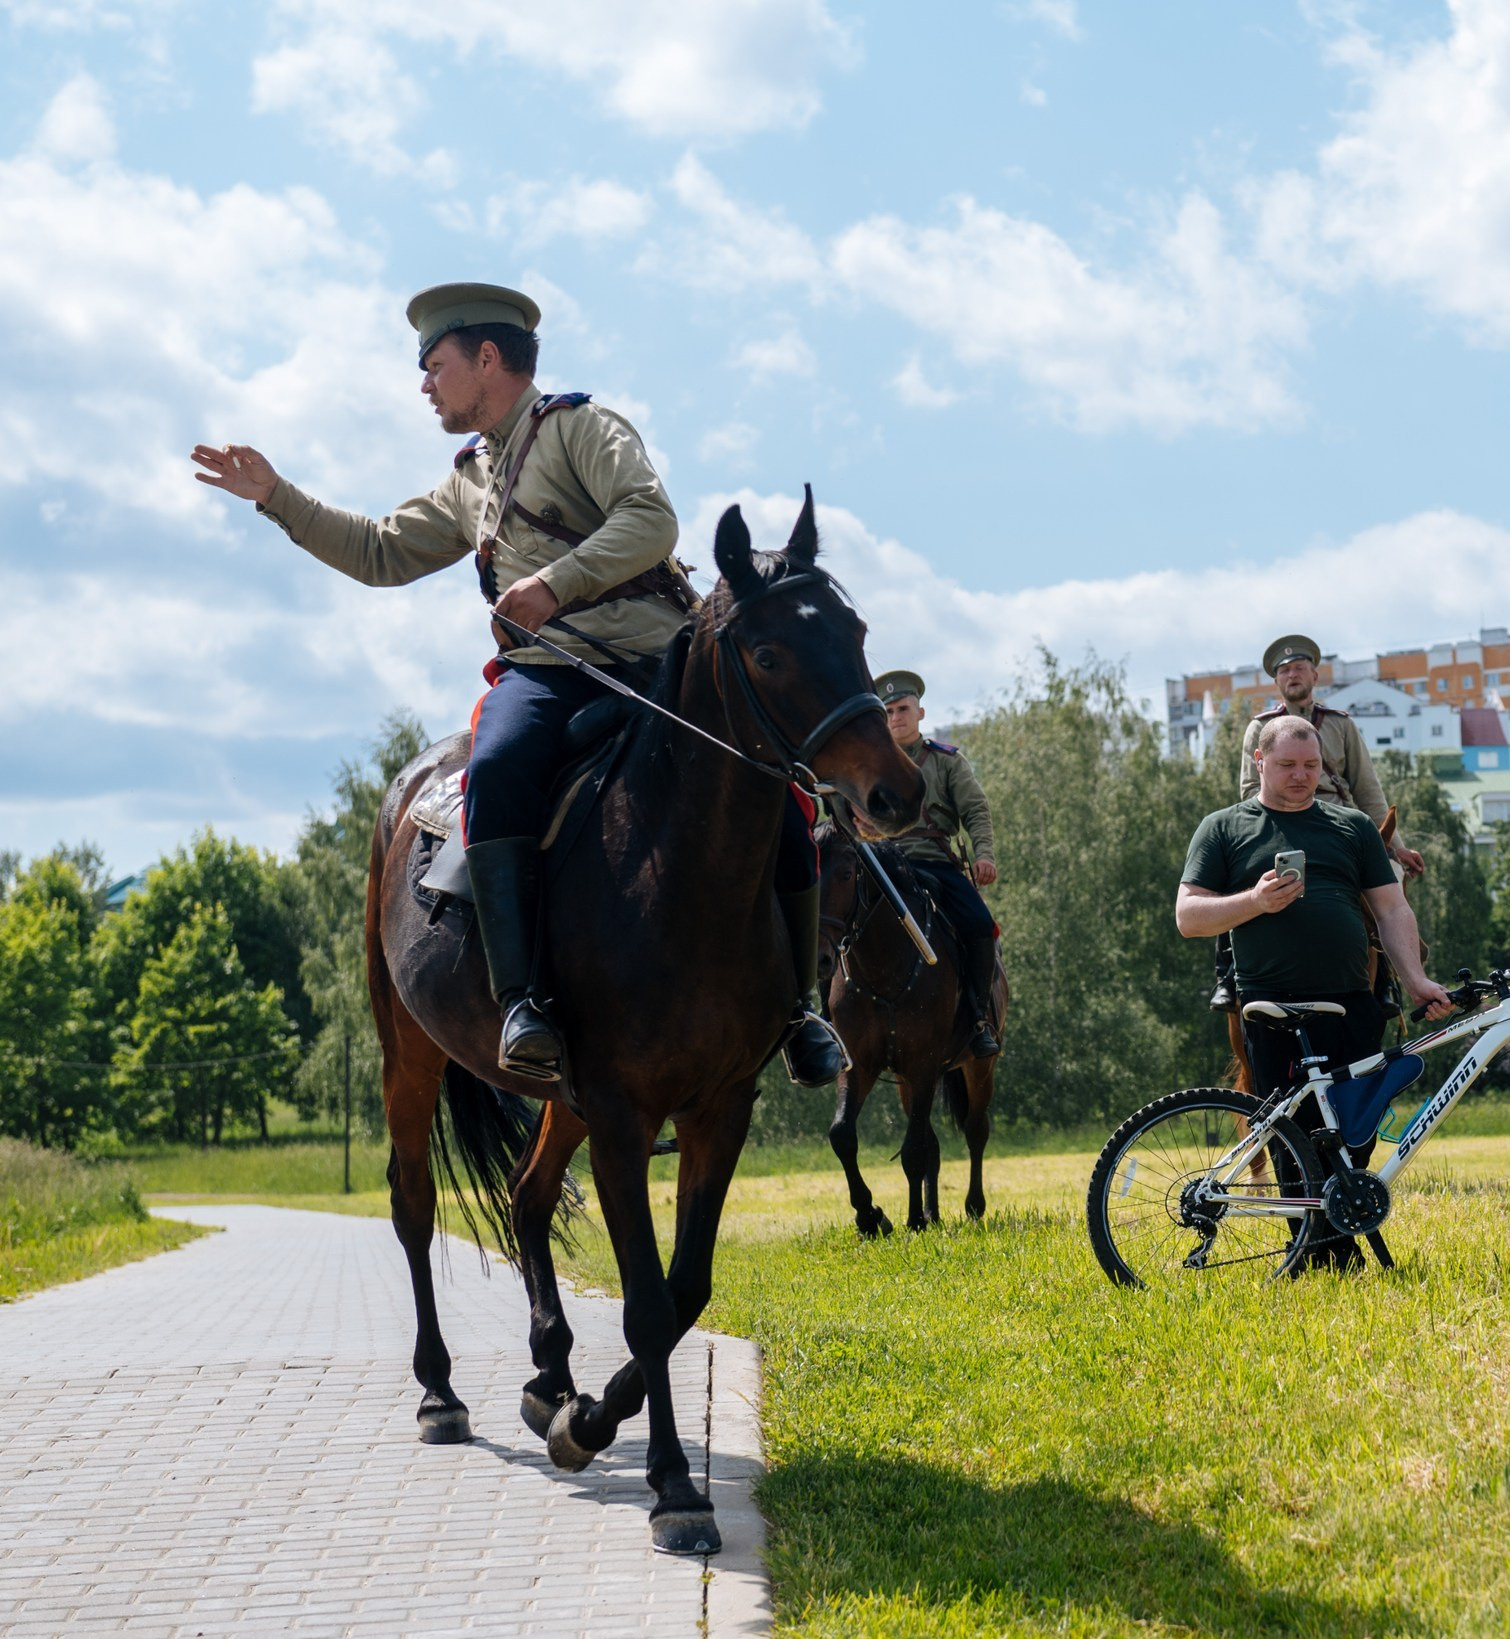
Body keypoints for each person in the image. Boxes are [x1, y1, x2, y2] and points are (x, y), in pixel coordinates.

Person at [188, 283, 841, 1087]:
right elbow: (379, 552)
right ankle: (525, 1001)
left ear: (486, 358)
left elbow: (651, 519)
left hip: (653, 667)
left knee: (774, 785)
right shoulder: (471, 478)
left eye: (434, 365)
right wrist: (277, 498)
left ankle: (800, 1007)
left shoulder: (582, 428)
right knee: (494, 770)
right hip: (547, 677)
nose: (423, 383)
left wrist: (554, 585)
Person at [1180, 715, 1451, 1129]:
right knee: (1291, 1145)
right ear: (1259, 760)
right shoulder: (1222, 828)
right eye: (1287, 765)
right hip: (1270, 1008)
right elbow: (1188, 917)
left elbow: (1392, 910)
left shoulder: (1355, 827)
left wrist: (1416, 980)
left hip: (1351, 1003)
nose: (1301, 775)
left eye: (1311, 765)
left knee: (1355, 1142)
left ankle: (1387, 993)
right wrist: (1254, 901)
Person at [1212, 634, 1423, 1011]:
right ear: (1277, 681)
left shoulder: (1341, 725)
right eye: (1284, 670)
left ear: (1314, 674)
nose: (1292, 675)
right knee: (1238, 878)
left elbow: (1368, 789)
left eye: (1298, 667)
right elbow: (1248, 789)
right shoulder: (1259, 727)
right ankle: (1227, 974)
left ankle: (1388, 977)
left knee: (1389, 878)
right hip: (1278, 826)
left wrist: (1398, 846)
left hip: (1338, 826)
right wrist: (1262, 826)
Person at [875, 671, 1003, 1057]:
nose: (896, 716)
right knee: (831, 915)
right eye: (889, 710)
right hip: (881, 866)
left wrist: (984, 854)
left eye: (903, 708)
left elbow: (975, 810)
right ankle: (824, 1021)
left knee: (980, 926)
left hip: (935, 864)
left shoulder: (946, 762)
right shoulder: (870, 762)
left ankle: (978, 1018)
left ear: (920, 712)